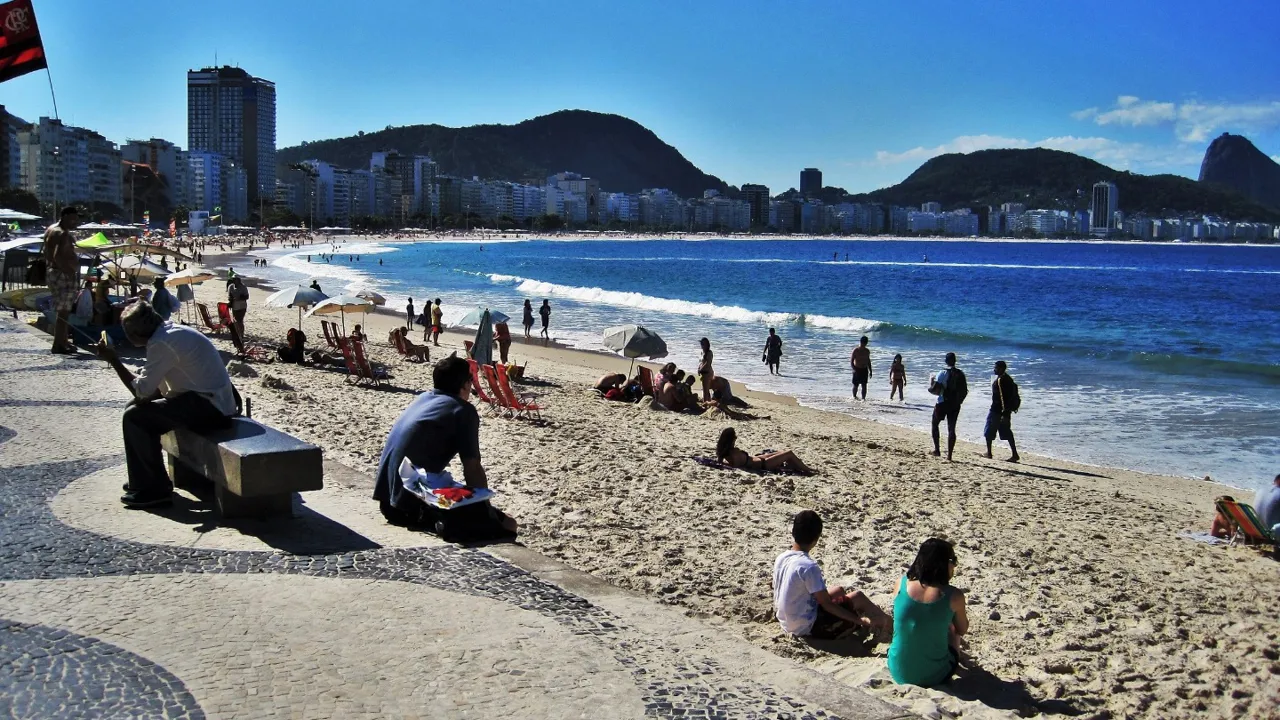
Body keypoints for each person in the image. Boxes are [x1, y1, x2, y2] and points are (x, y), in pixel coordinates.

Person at [95, 301, 239, 508]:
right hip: (214, 401)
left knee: (134, 417)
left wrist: (114, 361)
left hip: (210, 407)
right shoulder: (169, 333)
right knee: (133, 409)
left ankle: (153, 489)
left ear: (135, 332)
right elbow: (153, 389)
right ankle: (144, 479)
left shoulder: (161, 343)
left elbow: (143, 392)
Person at [373, 356, 518, 538]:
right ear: (465, 384)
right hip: (410, 506)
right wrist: (485, 510)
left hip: (388, 502)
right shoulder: (463, 411)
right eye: (471, 381)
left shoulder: (423, 398)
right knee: (509, 524)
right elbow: (472, 467)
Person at [772, 510, 890, 641]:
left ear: (794, 532)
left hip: (786, 620)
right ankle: (893, 627)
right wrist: (858, 620)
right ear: (816, 539)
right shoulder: (808, 566)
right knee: (858, 597)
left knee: (838, 590)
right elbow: (827, 605)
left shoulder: (781, 558)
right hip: (806, 627)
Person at [887, 538, 969, 688]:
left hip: (897, 669)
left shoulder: (900, 584)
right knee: (953, 629)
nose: (955, 565)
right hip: (933, 676)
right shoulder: (953, 595)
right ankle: (951, 660)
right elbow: (962, 629)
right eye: (953, 560)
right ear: (945, 563)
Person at [43, 206, 80, 354]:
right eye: (73, 218)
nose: (75, 221)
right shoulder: (62, 233)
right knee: (63, 312)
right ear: (64, 216)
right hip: (62, 275)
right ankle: (58, 345)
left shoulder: (51, 229)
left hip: (53, 273)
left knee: (62, 310)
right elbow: (57, 256)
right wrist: (69, 271)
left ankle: (63, 341)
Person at [715, 427, 814, 474]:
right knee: (789, 453)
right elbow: (735, 466)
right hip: (763, 464)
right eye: (734, 437)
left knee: (782, 452)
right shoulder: (733, 454)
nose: (736, 438)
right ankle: (807, 469)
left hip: (758, 458)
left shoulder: (725, 453)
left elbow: (723, 463)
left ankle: (798, 466)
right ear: (731, 439)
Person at [928, 352, 967, 461]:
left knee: (935, 424)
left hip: (942, 402)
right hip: (955, 404)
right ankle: (949, 455)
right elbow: (964, 390)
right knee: (951, 429)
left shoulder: (943, 373)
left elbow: (935, 389)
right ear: (955, 361)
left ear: (946, 361)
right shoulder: (961, 374)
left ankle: (937, 450)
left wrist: (931, 382)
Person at [983, 361, 1020, 463]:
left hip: (997, 410)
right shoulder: (1008, 379)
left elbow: (1003, 398)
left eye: (996, 368)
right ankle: (1014, 454)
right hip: (1005, 411)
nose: (994, 369)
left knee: (989, 431)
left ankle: (989, 453)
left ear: (1001, 369)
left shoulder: (1001, 381)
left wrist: (1004, 413)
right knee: (1007, 432)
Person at [851, 335, 872, 400]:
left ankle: (863, 399)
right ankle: (854, 397)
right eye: (863, 342)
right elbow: (851, 361)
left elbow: (868, 361)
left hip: (864, 369)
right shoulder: (856, 350)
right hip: (857, 369)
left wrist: (870, 370)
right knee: (856, 385)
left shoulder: (867, 351)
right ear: (860, 342)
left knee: (864, 385)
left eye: (865, 343)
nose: (864, 344)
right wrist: (854, 369)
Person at [698, 337, 715, 402]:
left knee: (705, 390)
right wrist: (699, 368)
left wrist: (701, 369)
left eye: (703, 344)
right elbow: (701, 362)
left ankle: (705, 402)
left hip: (707, 372)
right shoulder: (703, 352)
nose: (702, 346)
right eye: (701, 344)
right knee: (706, 389)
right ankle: (708, 401)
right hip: (703, 372)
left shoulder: (709, 352)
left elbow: (708, 363)